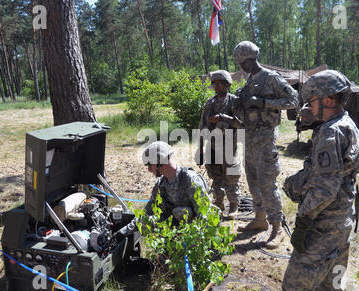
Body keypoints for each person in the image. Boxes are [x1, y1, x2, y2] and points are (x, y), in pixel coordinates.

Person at [281, 70, 359, 291]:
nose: (308, 107)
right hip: (343, 221)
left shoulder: (331, 132)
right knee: (332, 288)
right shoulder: (350, 126)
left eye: (311, 101)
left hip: (323, 227)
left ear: (327, 99)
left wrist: (303, 221)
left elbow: (324, 188)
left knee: (296, 288)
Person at [232, 41, 299, 249]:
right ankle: (260, 219)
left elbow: (294, 100)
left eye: (244, 63)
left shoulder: (271, 78)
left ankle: (277, 227)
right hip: (249, 139)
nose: (243, 68)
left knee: (267, 184)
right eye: (241, 64)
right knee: (252, 181)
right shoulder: (249, 80)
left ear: (252, 60)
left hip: (265, 140)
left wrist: (263, 102)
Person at [116, 141, 209, 238]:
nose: (148, 169)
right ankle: (169, 245)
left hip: (194, 233)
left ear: (158, 162)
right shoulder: (161, 184)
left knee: (180, 211)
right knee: (146, 222)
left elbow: (204, 214)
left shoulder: (190, 179)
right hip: (173, 230)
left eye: (149, 165)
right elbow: (147, 212)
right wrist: (123, 231)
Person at [195, 70, 243, 219]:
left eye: (218, 83)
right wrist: (201, 148)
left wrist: (223, 117)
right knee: (216, 177)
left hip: (229, 145)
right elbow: (202, 125)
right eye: (213, 83)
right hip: (213, 145)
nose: (215, 86)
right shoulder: (210, 103)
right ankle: (219, 203)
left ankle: (234, 205)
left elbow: (240, 123)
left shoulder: (234, 101)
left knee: (231, 177)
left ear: (227, 84)